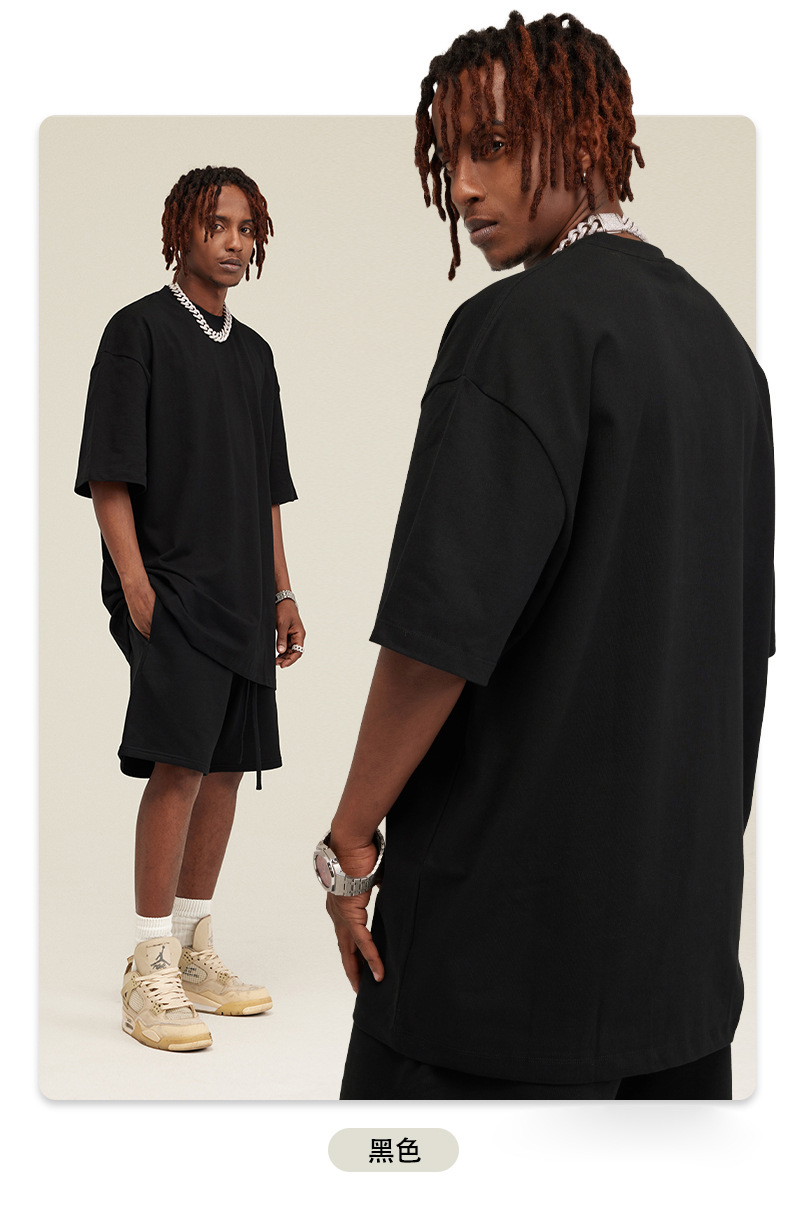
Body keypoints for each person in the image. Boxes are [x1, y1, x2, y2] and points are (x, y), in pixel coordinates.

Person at [316, 11, 775, 1099]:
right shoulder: (726, 354)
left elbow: (435, 640)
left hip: (497, 964)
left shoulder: (515, 332)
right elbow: (740, 651)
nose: (464, 188)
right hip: (674, 968)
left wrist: (347, 843)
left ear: (583, 132)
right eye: (450, 157)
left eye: (491, 145)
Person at [75, 165, 303, 1052]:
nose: (235, 242)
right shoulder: (136, 332)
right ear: (182, 231)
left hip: (244, 592)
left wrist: (282, 590)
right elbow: (109, 472)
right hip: (169, 588)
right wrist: (136, 586)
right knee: (177, 767)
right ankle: (149, 966)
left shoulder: (256, 354)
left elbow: (268, 490)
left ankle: (195, 947)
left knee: (225, 769)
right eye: (218, 225)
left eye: (247, 228)